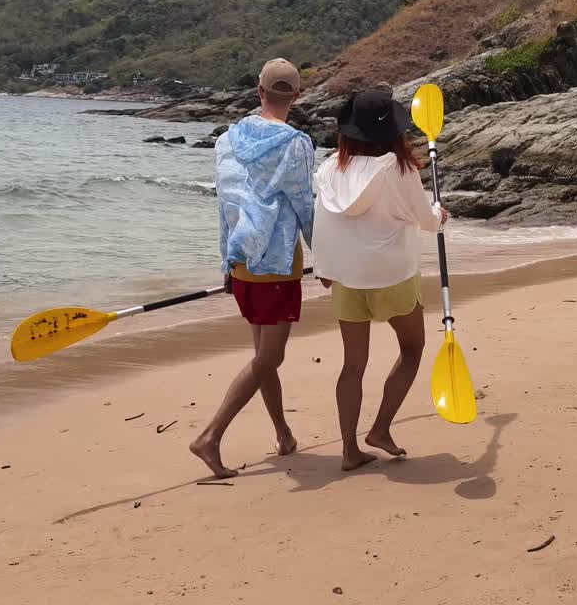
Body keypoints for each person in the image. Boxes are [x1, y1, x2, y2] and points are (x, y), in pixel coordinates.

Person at [189, 58, 316, 479]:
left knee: (264, 357)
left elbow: (225, 204)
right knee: (268, 358)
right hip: (277, 264)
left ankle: (283, 434)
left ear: (259, 91)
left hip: (242, 261)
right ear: (296, 96)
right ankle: (210, 435)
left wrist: (226, 257)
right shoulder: (296, 143)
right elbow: (304, 206)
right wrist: (329, 257)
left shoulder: (227, 139)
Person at [312, 90, 448, 472]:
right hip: (391, 277)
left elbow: (321, 223)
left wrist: (324, 268)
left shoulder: (328, 169)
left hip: (346, 280)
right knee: (412, 350)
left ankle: (349, 450)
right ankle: (381, 429)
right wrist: (439, 214)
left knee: (352, 365)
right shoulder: (398, 170)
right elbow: (426, 220)